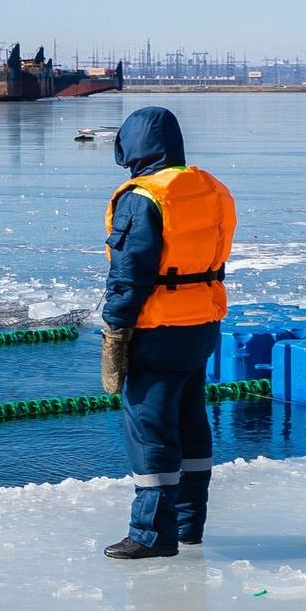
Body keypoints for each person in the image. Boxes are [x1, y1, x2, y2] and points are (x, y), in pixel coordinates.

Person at [98, 106, 236, 559]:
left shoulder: (143, 197)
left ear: (131, 145)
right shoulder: (211, 188)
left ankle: (151, 536)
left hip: (156, 330)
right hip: (203, 324)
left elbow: (130, 271)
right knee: (192, 423)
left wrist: (117, 327)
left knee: (151, 430)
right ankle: (188, 524)